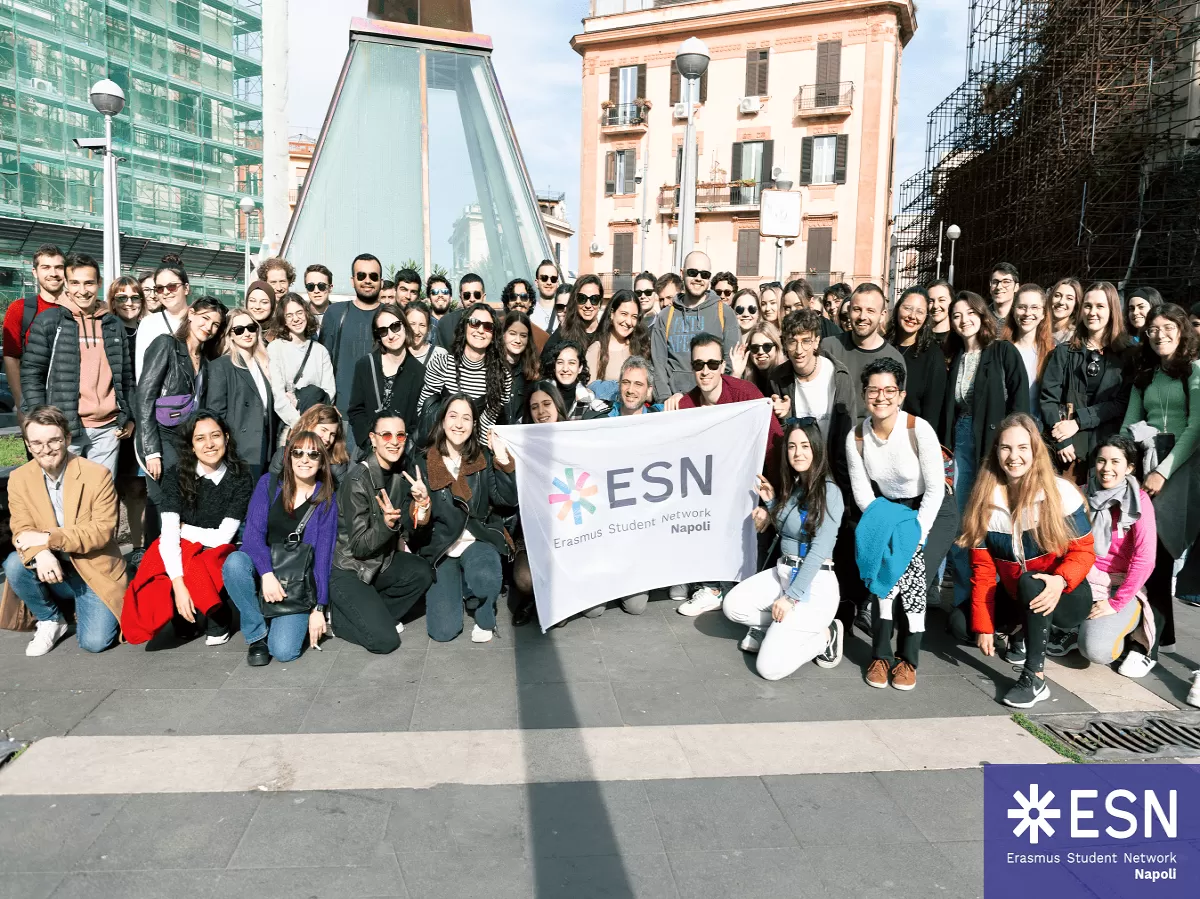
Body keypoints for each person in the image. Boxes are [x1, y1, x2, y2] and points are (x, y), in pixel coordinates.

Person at [960, 413, 1095, 708]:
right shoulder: (985, 501)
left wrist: (1060, 580)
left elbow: (1084, 552)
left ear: (1035, 451)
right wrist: (984, 626)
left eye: (1023, 448)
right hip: (1018, 594)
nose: (1014, 456)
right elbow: (983, 571)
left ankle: (1035, 677)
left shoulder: (1060, 492)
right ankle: (1022, 630)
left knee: (1031, 581)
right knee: (961, 624)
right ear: (996, 452)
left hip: (1066, 594)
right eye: (1006, 448)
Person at [847, 359, 959, 691]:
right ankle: (880, 656)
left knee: (913, 579)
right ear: (864, 394)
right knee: (885, 577)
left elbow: (936, 489)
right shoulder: (857, 437)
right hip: (888, 510)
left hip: (932, 510)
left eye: (889, 390)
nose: (881, 397)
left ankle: (908, 660)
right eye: (873, 390)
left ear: (901, 395)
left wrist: (916, 536)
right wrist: (887, 524)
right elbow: (862, 493)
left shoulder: (918, 429)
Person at [665, 333, 783, 616]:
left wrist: (773, 505)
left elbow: (775, 447)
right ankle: (708, 584)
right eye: (698, 364)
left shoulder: (746, 394)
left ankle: (724, 586)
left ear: (722, 366)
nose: (705, 370)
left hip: (749, 491)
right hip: (709, 491)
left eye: (712, 363)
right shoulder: (686, 405)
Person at [723, 419, 845, 679]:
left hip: (813, 585)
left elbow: (818, 551)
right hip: (784, 574)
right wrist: (771, 502)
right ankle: (782, 630)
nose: (797, 453)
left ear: (816, 449)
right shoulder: (797, 486)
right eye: (791, 446)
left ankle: (825, 635)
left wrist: (791, 599)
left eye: (804, 446)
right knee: (733, 606)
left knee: (769, 668)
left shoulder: (830, 492)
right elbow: (787, 530)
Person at [121, 412, 255, 646]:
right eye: (200, 438)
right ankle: (179, 611)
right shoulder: (176, 475)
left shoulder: (240, 476)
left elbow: (222, 537)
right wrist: (178, 585)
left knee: (204, 560)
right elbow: (169, 535)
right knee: (162, 560)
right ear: (192, 446)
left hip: (219, 550)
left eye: (215, 436)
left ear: (226, 438)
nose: (209, 444)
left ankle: (217, 613)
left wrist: (184, 530)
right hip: (183, 548)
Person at [3, 406, 126, 656]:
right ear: (27, 444)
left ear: (68, 439)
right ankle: (50, 618)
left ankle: (84, 602)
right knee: (14, 564)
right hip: (50, 566)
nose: (45, 449)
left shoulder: (97, 475)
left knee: (95, 642)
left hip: (92, 569)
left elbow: (101, 531)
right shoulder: (19, 478)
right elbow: (21, 529)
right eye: (37, 443)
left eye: (54, 441)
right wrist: (42, 552)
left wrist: (48, 539)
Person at [942, 290, 1028, 624]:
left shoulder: (1002, 351)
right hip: (960, 442)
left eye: (970, 313)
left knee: (994, 521)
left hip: (993, 445)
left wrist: (1015, 445)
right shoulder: (956, 357)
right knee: (961, 522)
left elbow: (1020, 401)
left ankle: (1000, 604)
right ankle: (966, 601)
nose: (964, 320)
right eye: (956, 315)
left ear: (982, 314)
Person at [1120, 303, 1200, 664]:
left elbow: (1195, 429)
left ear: (1182, 331)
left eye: (1168, 328)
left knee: (1161, 551)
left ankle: (1147, 643)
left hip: (1180, 468)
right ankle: (1159, 635)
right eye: (1153, 329)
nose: (1159, 335)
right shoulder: (1146, 374)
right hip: (1145, 465)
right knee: (1144, 549)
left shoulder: (1194, 371)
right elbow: (1129, 422)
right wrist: (1120, 464)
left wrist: (1163, 472)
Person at [223, 429, 339, 666]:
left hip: (295, 584)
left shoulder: (326, 498)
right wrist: (267, 574)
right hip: (262, 570)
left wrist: (319, 608)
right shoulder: (269, 484)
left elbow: (323, 557)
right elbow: (252, 536)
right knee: (234, 563)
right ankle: (257, 634)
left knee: (284, 651)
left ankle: (276, 620)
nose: (305, 459)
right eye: (298, 453)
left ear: (322, 461)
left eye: (313, 454)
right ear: (289, 456)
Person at [412, 395, 518, 642]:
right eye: (453, 416)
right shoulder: (423, 462)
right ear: (442, 420)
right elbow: (414, 527)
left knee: (485, 576)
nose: (459, 424)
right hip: (442, 547)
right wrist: (422, 505)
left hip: (478, 538)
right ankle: (462, 585)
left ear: (473, 425)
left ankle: (484, 608)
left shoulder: (482, 457)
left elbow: (507, 499)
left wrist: (502, 459)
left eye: (466, 418)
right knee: (443, 632)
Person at [20, 253, 135, 479]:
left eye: (89, 283)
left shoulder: (113, 324)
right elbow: (32, 375)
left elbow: (126, 376)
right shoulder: (49, 321)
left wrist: (128, 415)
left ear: (99, 283)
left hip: (108, 429)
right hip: (63, 428)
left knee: (101, 493)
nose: (82, 290)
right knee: (64, 494)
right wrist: (41, 421)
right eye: (75, 283)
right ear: (66, 284)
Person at [327, 412, 433, 653]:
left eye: (400, 435)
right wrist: (386, 525)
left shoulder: (401, 473)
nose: (394, 441)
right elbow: (359, 547)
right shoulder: (357, 480)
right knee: (386, 641)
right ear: (373, 439)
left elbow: (412, 530)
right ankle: (340, 621)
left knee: (422, 572)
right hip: (351, 569)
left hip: (381, 562)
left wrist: (423, 504)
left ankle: (370, 613)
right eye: (386, 435)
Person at [1049, 436, 1157, 673]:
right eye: (1101, 461)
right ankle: (1074, 628)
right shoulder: (1081, 493)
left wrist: (1116, 604)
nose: (1107, 468)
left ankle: (1130, 629)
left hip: (1117, 587)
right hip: (1081, 578)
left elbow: (1145, 558)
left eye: (1115, 462)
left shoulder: (1139, 501)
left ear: (1129, 467)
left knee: (1096, 650)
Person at [1039, 281, 1132, 480]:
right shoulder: (1064, 352)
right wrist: (1062, 441)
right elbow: (1049, 399)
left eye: (1100, 306)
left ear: (1112, 310)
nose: (1092, 312)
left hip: (1108, 450)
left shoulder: (1126, 355)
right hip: (1069, 450)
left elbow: (1122, 402)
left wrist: (1079, 421)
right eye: (1088, 306)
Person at [650, 251, 740, 401]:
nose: (698, 278)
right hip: (674, 404)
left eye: (704, 274)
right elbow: (658, 364)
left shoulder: (724, 313)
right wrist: (665, 400)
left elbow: (730, 363)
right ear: (682, 273)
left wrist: (716, 399)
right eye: (692, 272)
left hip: (712, 403)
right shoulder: (666, 316)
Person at [417, 303, 512, 440]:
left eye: (487, 326)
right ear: (464, 326)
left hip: (475, 445)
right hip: (438, 441)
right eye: (474, 323)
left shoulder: (501, 375)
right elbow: (424, 410)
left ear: (494, 334)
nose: (480, 330)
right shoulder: (442, 363)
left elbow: (487, 425)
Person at [819, 283, 906, 427]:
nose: (862, 316)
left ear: (882, 315)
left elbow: (892, 414)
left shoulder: (895, 359)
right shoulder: (828, 348)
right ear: (849, 311)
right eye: (857, 309)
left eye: (870, 310)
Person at [320, 253, 384, 444]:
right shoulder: (335, 313)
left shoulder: (390, 315)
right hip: (342, 416)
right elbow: (322, 363)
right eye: (361, 275)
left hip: (381, 417)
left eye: (373, 276)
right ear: (352, 280)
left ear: (381, 281)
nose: (367, 280)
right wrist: (328, 404)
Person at [346, 304, 424, 458]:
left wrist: (401, 448)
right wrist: (370, 444)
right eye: (383, 331)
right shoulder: (365, 365)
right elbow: (356, 410)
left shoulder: (419, 372)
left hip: (401, 453)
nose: (391, 335)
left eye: (395, 327)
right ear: (378, 336)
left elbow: (417, 420)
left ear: (405, 326)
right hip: (370, 451)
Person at [208, 308, 277, 479]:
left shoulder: (265, 363)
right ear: (230, 335)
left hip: (265, 446)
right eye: (239, 330)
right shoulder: (221, 366)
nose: (246, 333)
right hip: (239, 449)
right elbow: (216, 414)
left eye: (251, 328)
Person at [107, 277, 148, 552]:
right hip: (115, 418)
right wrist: (125, 415)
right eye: (122, 297)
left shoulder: (147, 330)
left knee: (136, 488)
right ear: (113, 301)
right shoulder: (107, 330)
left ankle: (138, 548)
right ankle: (106, 550)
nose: (129, 303)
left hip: (139, 419)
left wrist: (135, 417)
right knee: (107, 489)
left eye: (135, 297)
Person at [2, 244, 63, 418]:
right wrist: (21, 405)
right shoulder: (20, 309)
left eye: (59, 267)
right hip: (35, 404)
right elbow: (11, 358)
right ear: (35, 272)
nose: (53, 273)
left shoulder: (79, 309)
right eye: (46, 267)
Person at [267, 293, 337, 436]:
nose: (296, 319)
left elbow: (329, 392)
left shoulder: (320, 351)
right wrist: (300, 424)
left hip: (318, 428)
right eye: (289, 315)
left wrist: (314, 424)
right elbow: (278, 396)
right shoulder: (275, 348)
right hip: (290, 427)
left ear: (306, 313)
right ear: (283, 320)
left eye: (299, 312)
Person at [888, 286, 946, 431]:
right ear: (898, 309)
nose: (912, 316)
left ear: (926, 317)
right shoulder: (882, 345)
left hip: (912, 434)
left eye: (920, 311)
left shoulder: (933, 355)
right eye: (907, 308)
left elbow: (932, 413)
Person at [1002, 283, 1055, 421]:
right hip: (1009, 427)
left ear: (1043, 313)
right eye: (1021, 307)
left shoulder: (1052, 352)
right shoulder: (1001, 352)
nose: (1027, 313)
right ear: (1013, 311)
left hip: (1040, 429)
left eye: (1034, 307)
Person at [585, 290, 649, 401]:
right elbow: (589, 392)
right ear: (612, 313)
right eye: (624, 314)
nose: (629, 322)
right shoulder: (596, 349)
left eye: (634, 317)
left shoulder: (642, 347)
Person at [268, 403, 353, 485]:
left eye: (332, 434)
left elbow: (341, 494)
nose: (327, 438)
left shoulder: (337, 465)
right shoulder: (284, 455)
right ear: (309, 426)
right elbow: (270, 487)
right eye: (323, 430)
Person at [134, 262, 191, 379]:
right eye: (160, 288)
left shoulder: (201, 320)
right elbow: (142, 372)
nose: (165, 292)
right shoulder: (149, 323)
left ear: (186, 288)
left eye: (172, 286)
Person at [543, 339, 609, 420]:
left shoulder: (588, 399)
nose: (565, 369)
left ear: (580, 368)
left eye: (571, 363)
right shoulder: (540, 393)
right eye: (560, 362)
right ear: (554, 366)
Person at [501, 311, 540, 424]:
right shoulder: (491, 367)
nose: (518, 340)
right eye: (512, 334)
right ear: (503, 334)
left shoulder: (532, 371)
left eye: (523, 336)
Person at [434, 273, 488, 349]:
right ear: (461, 298)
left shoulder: (492, 323)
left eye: (477, 295)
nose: (472, 299)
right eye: (467, 295)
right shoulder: (446, 323)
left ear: (483, 297)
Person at [555, 274, 605, 350]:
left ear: (600, 302)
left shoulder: (607, 335)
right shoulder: (563, 334)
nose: (588, 305)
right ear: (575, 300)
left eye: (594, 299)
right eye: (582, 298)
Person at [737, 321, 782, 398]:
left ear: (777, 348)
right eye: (754, 348)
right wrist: (736, 374)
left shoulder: (787, 376)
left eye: (767, 346)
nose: (760, 352)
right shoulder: (744, 375)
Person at [529, 259, 562, 332]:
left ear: (557, 283)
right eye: (544, 278)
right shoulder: (528, 312)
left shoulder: (565, 311)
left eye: (553, 279)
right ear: (537, 283)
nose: (549, 282)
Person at [1048, 277, 1081, 344]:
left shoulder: (1075, 338)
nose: (1061, 302)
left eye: (1069, 298)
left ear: (1076, 304)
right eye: (1057, 295)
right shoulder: (1036, 328)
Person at [926, 279, 954, 358]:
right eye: (931, 301)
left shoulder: (958, 339)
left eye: (941, 300)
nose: (935, 306)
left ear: (952, 302)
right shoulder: (919, 338)